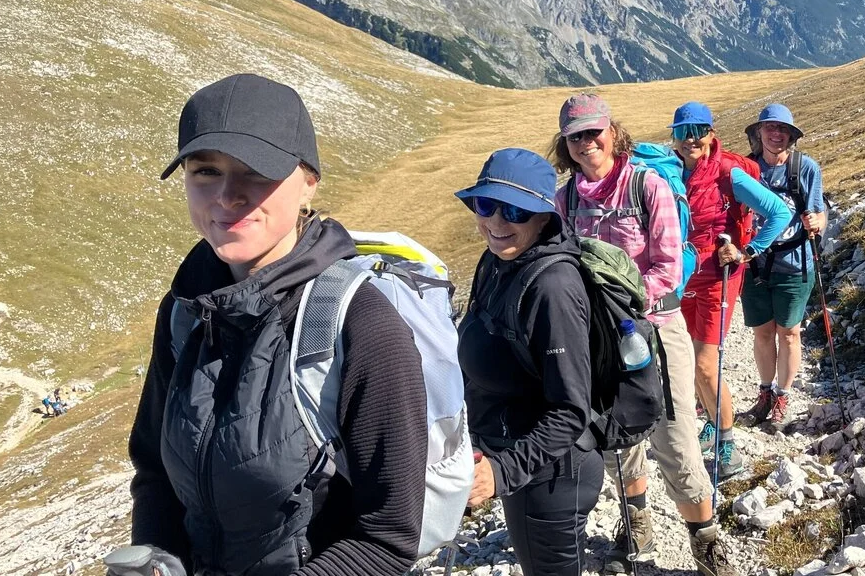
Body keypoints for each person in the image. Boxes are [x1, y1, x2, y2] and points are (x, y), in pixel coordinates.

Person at [123, 74, 429, 576]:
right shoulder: (183, 312)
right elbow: (154, 471)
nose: (227, 196)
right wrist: (158, 558)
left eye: (256, 172)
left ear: (309, 182)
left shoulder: (363, 325)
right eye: (205, 171)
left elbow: (388, 540)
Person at [550, 94, 738, 576]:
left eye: (593, 132)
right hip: (599, 341)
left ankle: (706, 543)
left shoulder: (646, 185)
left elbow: (668, 268)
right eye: (575, 136)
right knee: (618, 437)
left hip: (655, 330)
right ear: (565, 143)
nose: (586, 143)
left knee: (675, 438)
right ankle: (636, 525)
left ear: (612, 132)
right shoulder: (565, 199)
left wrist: (618, 307)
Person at [456, 148, 600, 576]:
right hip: (519, 459)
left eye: (516, 210)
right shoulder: (496, 260)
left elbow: (571, 410)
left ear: (543, 218)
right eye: (486, 205)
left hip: (552, 476)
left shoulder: (552, 288)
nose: (497, 222)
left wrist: (501, 473)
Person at [671, 101, 791, 479]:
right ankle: (711, 420)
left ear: (711, 133)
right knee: (689, 360)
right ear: (674, 136)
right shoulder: (669, 170)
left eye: (698, 131)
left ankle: (728, 445)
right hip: (683, 279)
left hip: (718, 279)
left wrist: (747, 251)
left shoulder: (729, 174)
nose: (690, 139)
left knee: (705, 364)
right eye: (682, 132)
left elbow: (779, 213)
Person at [738, 104, 827, 431]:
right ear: (759, 132)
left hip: (795, 264)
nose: (776, 134)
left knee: (789, 333)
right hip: (754, 266)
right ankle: (765, 393)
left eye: (783, 129)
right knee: (763, 332)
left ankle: (783, 397)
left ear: (791, 135)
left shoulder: (806, 168)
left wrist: (818, 223)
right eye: (770, 128)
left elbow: (819, 213)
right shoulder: (746, 169)